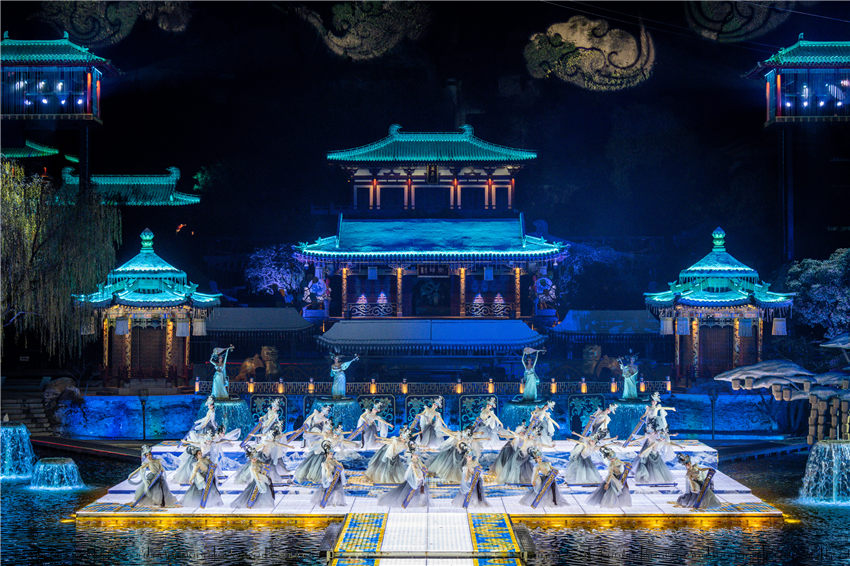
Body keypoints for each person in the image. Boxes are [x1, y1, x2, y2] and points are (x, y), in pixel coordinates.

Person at [378, 442, 430, 508]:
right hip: (414, 477)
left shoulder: (417, 459)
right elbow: (414, 470)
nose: (416, 455)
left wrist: (424, 468)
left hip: (418, 477)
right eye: (415, 455)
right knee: (412, 490)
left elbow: (421, 464)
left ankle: (418, 501)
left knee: (418, 489)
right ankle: (406, 502)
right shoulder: (412, 462)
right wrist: (418, 476)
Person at [312, 442, 348, 508]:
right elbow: (324, 474)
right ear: (327, 455)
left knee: (337, 490)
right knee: (327, 490)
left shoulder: (334, 461)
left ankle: (334, 502)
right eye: (330, 454)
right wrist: (327, 477)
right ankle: (327, 502)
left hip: (336, 478)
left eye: (332, 454)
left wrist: (340, 467)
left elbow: (340, 467)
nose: (331, 455)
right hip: (329, 478)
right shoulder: (325, 463)